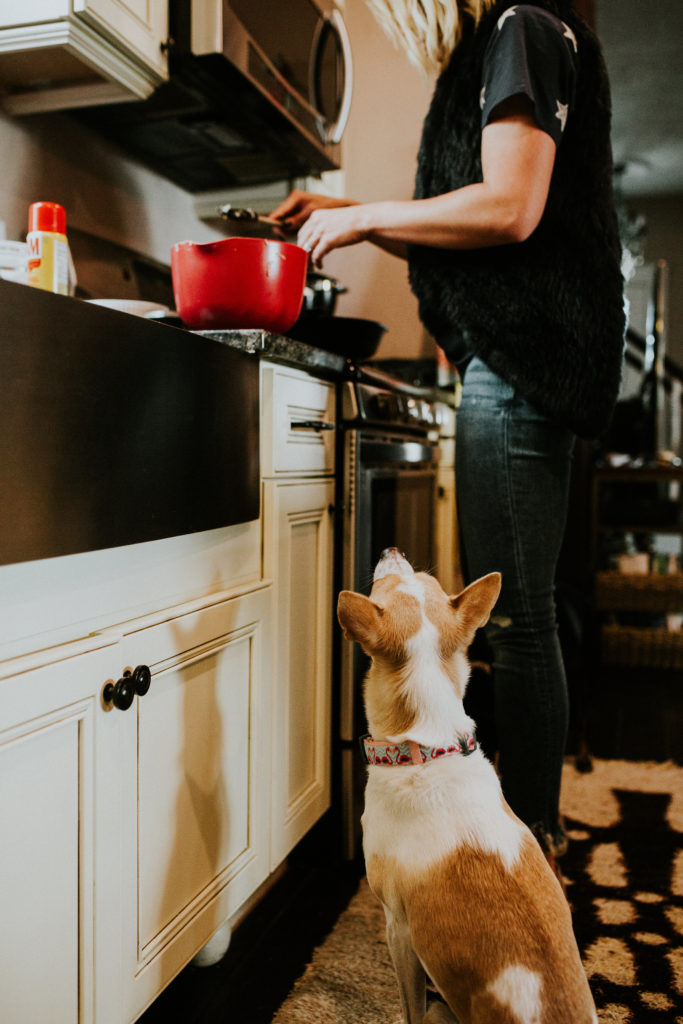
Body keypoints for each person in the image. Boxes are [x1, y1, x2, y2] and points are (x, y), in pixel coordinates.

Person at [271, 0, 625, 874]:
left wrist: (360, 219)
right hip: (525, 361)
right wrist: (354, 210)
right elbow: (482, 219)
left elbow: (508, 207)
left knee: (521, 625)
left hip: (521, 364)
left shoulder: (522, 29)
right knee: (526, 620)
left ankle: (527, 852)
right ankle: (534, 836)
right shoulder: (518, 33)